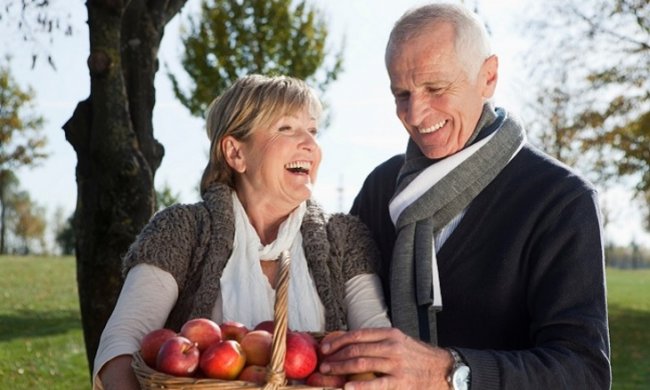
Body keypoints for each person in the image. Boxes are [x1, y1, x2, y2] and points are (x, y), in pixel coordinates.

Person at [317, 3, 611, 390]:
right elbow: (334, 304)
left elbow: (584, 373)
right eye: (401, 94)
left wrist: (449, 372)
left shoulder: (560, 200)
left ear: (488, 77)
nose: (416, 114)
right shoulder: (381, 187)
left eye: (436, 89)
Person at [92, 74, 391, 389]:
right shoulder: (180, 229)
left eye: (313, 131)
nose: (310, 144)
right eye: (286, 128)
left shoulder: (344, 236)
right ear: (236, 153)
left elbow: (377, 346)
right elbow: (123, 341)